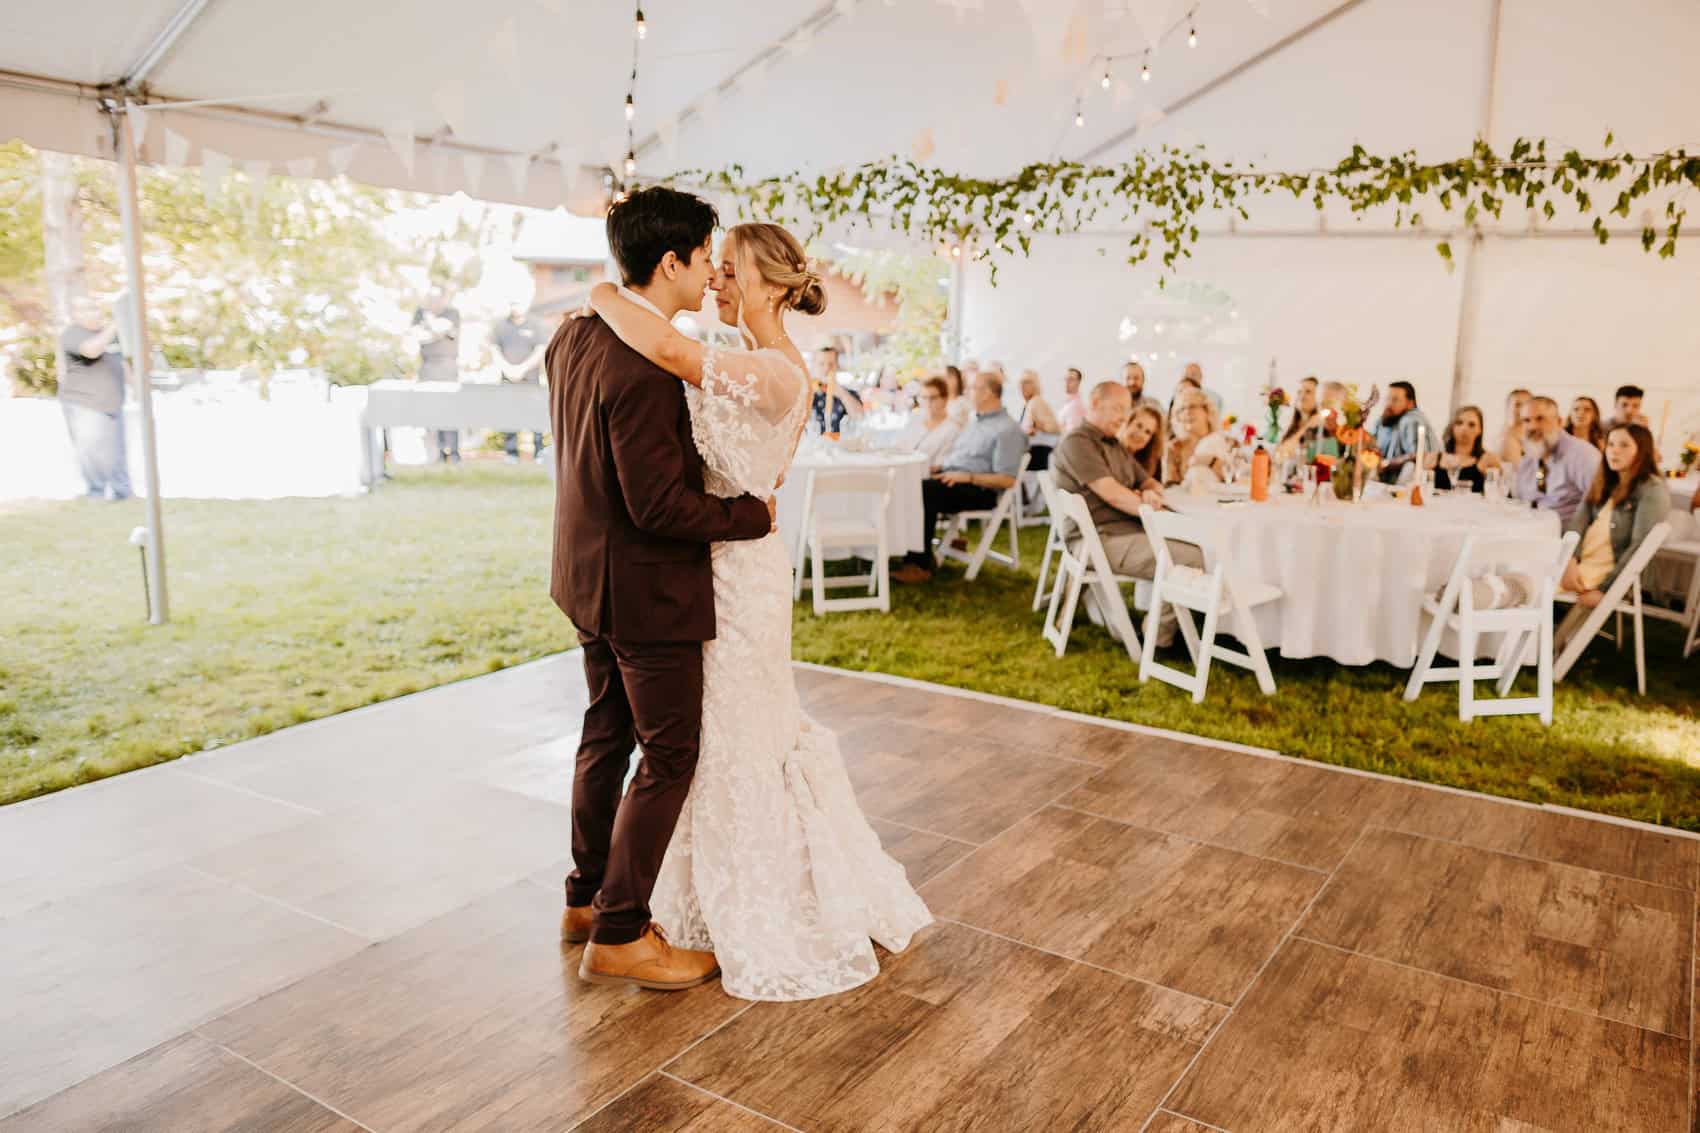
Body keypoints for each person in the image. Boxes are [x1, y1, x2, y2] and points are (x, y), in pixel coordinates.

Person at [576, 196, 929, 1000]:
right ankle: (682, 897)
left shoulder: (774, 371)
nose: (720, 281)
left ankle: (761, 899)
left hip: (740, 570)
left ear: (771, 286)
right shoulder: (736, 348)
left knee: (736, 728)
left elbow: (662, 343)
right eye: (716, 267)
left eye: (731, 271)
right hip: (709, 560)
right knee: (707, 733)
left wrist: (604, 294)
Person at [1053, 382, 1201, 645]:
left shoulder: (1113, 444)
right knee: (1192, 556)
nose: (1123, 417)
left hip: (1121, 532)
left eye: (1126, 410)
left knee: (1193, 545)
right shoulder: (1078, 442)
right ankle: (1159, 639)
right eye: (1118, 409)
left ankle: (1163, 630)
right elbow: (1110, 492)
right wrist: (1152, 509)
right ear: (1095, 403)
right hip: (1097, 540)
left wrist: (1150, 493)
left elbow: (1149, 481)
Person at [892, 370, 1028, 584]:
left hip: (979, 489)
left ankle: (919, 564)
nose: (967, 393)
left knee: (924, 491)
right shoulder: (976, 422)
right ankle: (911, 554)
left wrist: (968, 476)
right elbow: (961, 457)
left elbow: (1007, 479)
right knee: (909, 484)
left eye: (973, 389)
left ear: (989, 393)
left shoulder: (1007, 429)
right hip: (954, 478)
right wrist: (942, 467)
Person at [1557, 423, 1669, 648]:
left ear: (1642, 451)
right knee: (1528, 574)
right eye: (1610, 444)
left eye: (1624, 445)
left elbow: (1639, 548)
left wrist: (1605, 590)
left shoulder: (1652, 489)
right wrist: (1569, 560)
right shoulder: (1605, 481)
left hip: (1606, 572)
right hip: (1579, 563)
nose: (1614, 451)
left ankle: (1531, 648)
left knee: (1535, 584)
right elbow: (1576, 525)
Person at [57, 295, 133, 500]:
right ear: (76, 314)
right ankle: (96, 494)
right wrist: (116, 325)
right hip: (84, 403)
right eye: (87, 309)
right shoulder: (73, 334)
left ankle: (123, 493)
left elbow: (124, 363)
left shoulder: (109, 335)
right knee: (91, 453)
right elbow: (91, 351)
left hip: (113, 401)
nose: (94, 313)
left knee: (117, 453)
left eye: (95, 308)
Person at [1512, 395, 1602, 522]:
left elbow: (1602, 506)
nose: (1532, 427)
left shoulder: (1582, 454)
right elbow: (1519, 500)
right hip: (1532, 531)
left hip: (1567, 537)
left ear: (1559, 422)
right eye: (1526, 420)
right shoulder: (1529, 457)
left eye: (1540, 419)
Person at [492, 302, 546, 463]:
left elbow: (541, 349)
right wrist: (508, 370)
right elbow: (494, 350)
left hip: (530, 380)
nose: (516, 307)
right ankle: (511, 453)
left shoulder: (536, 325)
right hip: (507, 380)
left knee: (536, 416)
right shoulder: (500, 326)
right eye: (512, 303)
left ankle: (539, 452)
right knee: (509, 416)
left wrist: (522, 369)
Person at [412, 286, 462, 463]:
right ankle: (437, 454)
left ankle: (453, 453)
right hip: (427, 368)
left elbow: (439, 329)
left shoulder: (452, 313)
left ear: (442, 298)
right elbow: (418, 336)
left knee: (450, 411)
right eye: (429, 297)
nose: (432, 301)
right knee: (430, 411)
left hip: (447, 368)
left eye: (436, 297)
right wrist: (433, 332)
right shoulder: (420, 313)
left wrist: (431, 325)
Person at [1425, 405, 1501, 492]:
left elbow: (1501, 493)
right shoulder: (1433, 458)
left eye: (1471, 425)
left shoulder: (1488, 460)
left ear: (1480, 430)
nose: (1464, 428)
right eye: (1459, 423)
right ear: (1452, 427)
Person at [1372, 381, 1434, 484]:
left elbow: (1418, 455)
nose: (1389, 404)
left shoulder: (1411, 420)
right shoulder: (1386, 419)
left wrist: (1386, 463)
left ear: (1410, 403)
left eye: (1395, 400)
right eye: (1387, 399)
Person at [1165, 390, 1231, 485]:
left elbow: (1234, 479)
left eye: (1192, 406)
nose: (1187, 412)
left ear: (1207, 411)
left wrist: (1211, 460)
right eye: (1181, 409)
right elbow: (1170, 487)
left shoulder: (1226, 441)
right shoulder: (1174, 447)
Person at [900, 375, 961, 465]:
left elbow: (940, 464)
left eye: (933, 398)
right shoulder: (915, 418)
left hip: (925, 475)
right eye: (924, 397)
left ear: (945, 399)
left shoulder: (952, 429)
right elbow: (899, 446)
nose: (928, 402)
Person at [1017, 369, 1061, 470]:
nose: (1022, 386)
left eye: (1027, 382)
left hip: (1037, 452)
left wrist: (1037, 427)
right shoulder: (1028, 404)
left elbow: (1054, 427)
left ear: (1035, 385)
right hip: (1032, 451)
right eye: (1021, 383)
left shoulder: (1037, 402)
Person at [809, 344, 858, 434]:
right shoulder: (804, 393)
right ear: (813, 365)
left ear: (837, 366)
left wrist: (843, 395)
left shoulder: (848, 393)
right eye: (821, 363)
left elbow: (860, 418)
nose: (826, 368)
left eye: (831, 364)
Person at [1118, 402, 1166, 483]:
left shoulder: (1154, 461)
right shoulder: (1108, 449)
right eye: (1139, 426)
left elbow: (1157, 490)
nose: (1140, 434)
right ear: (1128, 423)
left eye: (1147, 432)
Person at [1276, 376, 1321, 460]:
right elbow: (1279, 455)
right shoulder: (1289, 423)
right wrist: (1306, 426)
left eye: (1308, 392)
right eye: (1299, 391)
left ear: (1317, 398)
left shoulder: (1321, 428)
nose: (1302, 395)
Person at [1498, 387, 1532, 466]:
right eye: (1518, 404)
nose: (1523, 408)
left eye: (1526, 404)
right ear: (1508, 407)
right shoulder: (1507, 438)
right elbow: (1520, 470)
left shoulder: (1528, 435)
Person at [1057, 367, 1087, 434]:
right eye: (1065, 379)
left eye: (1071, 379)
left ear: (1078, 382)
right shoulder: (1066, 403)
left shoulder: (1076, 405)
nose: (1066, 382)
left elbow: (1072, 433)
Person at [943, 363, 972, 427]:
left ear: (958, 380)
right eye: (944, 377)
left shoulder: (964, 402)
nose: (946, 380)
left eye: (949, 377)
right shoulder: (940, 401)